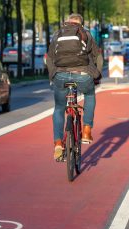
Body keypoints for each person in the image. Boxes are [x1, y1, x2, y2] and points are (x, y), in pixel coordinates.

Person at [46, 13, 103, 160]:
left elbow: (50, 58)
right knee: (90, 95)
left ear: (67, 23)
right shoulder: (86, 34)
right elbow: (97, 56)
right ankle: (86, 130)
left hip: (60, 75)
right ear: (80, 24)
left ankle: (58, 143)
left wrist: (53, 76)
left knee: (59, 107)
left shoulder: (57, 34)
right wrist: (97, 75)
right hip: (82, 74)